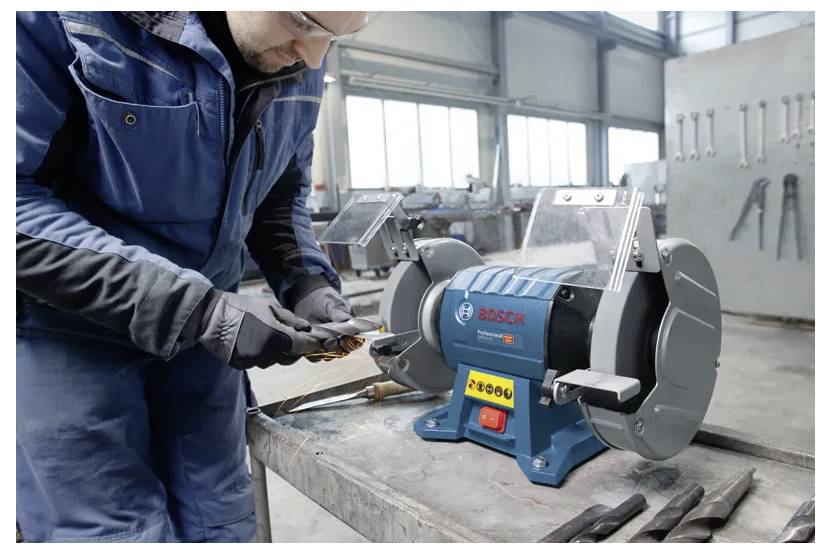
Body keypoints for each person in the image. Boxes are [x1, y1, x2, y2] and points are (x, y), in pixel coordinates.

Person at [16, 11, 369, 542]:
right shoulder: (53, 22)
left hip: (206, 346)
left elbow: (277, 192)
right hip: (67, 335)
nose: (315, 56)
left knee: (220, 516)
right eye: (301, 19)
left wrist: (306, 283)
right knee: (111, 534)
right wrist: (196, 309)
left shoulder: (301, 53)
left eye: (335, 36)